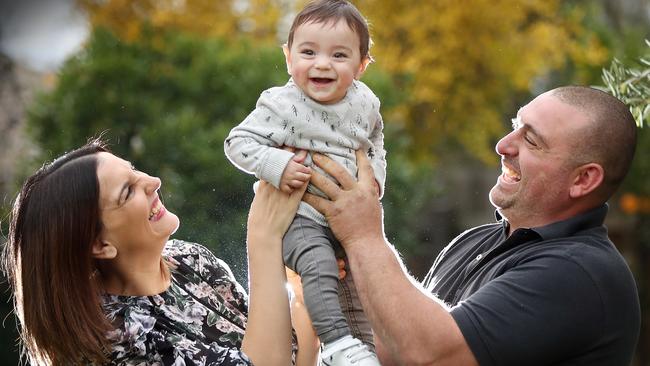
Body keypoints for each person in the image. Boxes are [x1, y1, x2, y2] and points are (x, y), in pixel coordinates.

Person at [304, 86, 641, 365]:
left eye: (532, 141)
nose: (504, 145)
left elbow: (429, 355)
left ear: (583, 180)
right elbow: (390, 349)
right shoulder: (474, 242)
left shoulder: (581, 274)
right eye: (516, 125)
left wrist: (363, 236)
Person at [2, 139, 316, 365]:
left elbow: (288, 354)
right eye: (127, 191)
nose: (153, 181)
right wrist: (263, 237)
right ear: (99, 245)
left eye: (135, 171)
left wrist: (304, 290)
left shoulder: (190, 261)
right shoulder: (112, 345)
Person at [224, 0, 384, 365]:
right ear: (288, 57)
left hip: (348, 216)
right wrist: (277, 164)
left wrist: (374, 181)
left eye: (339, 55)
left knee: (358, 284)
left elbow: (375, 143)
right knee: (318, 266)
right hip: (299, 216)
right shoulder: (280, 104)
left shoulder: (366, 103)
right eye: (308, 52)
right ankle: (339, 345)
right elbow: (237, 142)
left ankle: (364, 353)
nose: (322, 63)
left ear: (361, 65)